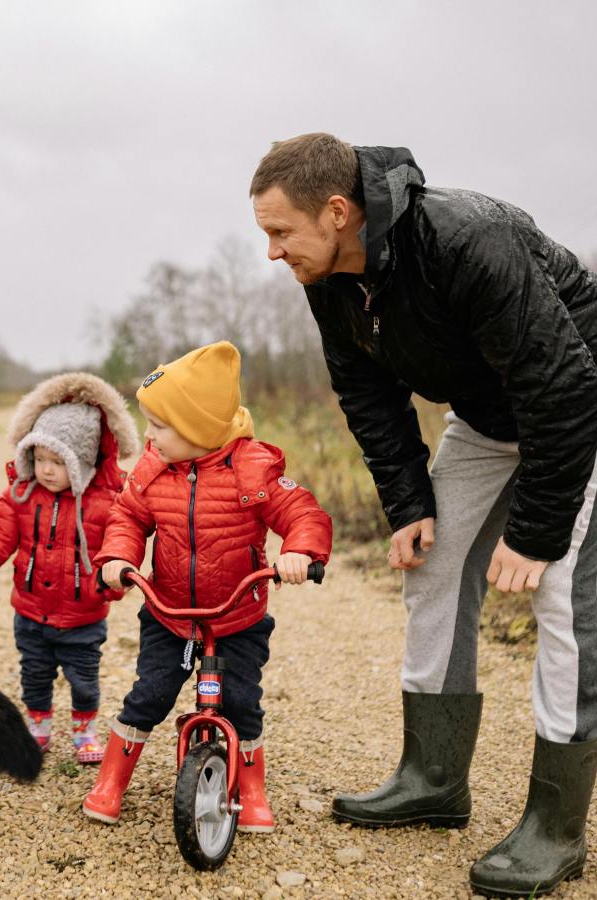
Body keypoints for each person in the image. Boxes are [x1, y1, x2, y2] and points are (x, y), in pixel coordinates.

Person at [250, 132, 597, 896]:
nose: (272, 252)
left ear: (337, 211)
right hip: (484, 419)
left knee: (563, 599)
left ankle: (556, 828)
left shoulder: (468, 238)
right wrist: (407, 500)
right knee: (431, 564)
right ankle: (433, 777)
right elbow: (366, 394)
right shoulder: (327, 278)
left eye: (280, 232)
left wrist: (535, 532)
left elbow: (563, 383)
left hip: (579, 408)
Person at [82, 341, 332, 831]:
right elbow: (127, 519)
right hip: (170, 615)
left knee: (241, 702)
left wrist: (300, 550)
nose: (149, 438)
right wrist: (117, 558)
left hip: (237, 617)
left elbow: (302, 510)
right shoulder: (152, 472)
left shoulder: (253, 468)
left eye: (159, 426)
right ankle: (110, 782)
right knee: (150, 694)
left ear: (197, 429)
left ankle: (252, 789)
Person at [0, 372, 137, 764]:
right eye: (39, 459)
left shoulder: (105, 504)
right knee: (34, 675)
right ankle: (38, 724)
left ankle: (84, 728)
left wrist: (114, 582)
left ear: (83, 462)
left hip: (83, 616)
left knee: (83, 680)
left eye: (58, 461)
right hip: (31, 612)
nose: (47, 470)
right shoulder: (21, 495)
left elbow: (119, 548)